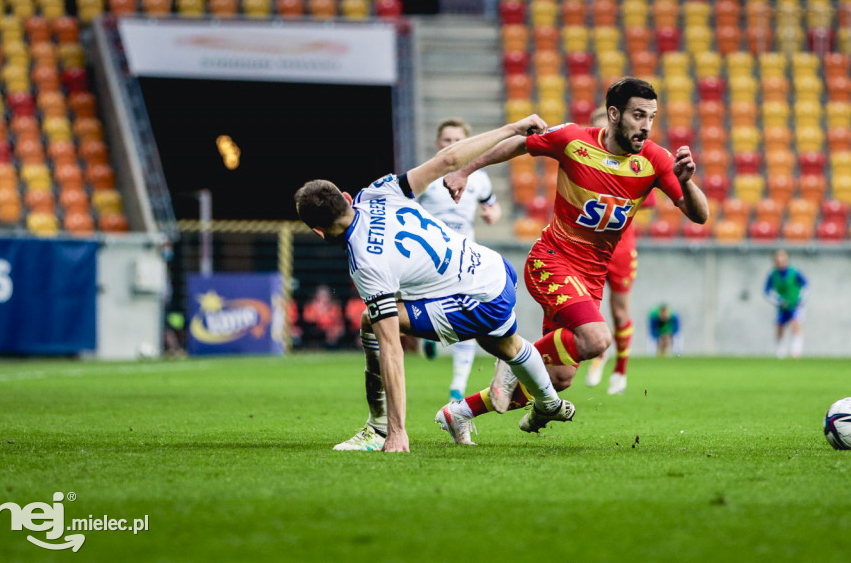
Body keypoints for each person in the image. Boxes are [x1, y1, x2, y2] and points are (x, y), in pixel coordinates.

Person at [294, 114, 575, 453]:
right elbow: (448, 160)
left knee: (373, 322)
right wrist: (513, 128)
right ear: (346, 196)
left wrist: (399, 431)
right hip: (492, 267)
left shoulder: (364, 263)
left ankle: (380, 429)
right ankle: (547, 402)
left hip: (476, 298)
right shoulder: (377, 191)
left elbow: (392, 351)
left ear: (318, 231)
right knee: (506, 345)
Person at [442, 77, 708, 424]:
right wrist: (466, 171)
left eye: (652, 117)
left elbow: (699, 216)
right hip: (551, 260)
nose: (646, 126)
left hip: (590, 277)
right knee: (597, 338)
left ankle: (460, 412)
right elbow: (520, 144)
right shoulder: (573, 140)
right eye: (638, 116)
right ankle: (511, 361)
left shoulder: (656, 160)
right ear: (614, 114)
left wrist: (686, 181)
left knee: (560, 378)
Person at [417, 118, 503, 401]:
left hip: (464, 256)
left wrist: (493, 214)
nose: (451, 145)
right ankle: (426, 338)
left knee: (469, 315)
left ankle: (457, 388)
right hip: (427, 258)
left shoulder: (478, 177)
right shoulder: (425, 176)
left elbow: (492, 204)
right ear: (437, 144)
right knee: (421, 311)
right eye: (446, 140)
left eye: (457, 140)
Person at [583, 107, 644, 394]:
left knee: (620, 313)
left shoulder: (634, 163)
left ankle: (621, 367)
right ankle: (597, 354)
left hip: (620, 248)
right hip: (588, 248)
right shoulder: (581, 162)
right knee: (586, 309)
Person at [764, 249, 808, 359]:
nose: (780, 260)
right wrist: (778, 301)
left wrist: (801, 299)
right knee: (779, 326)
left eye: (782, 257)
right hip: (782, 306)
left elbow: (805, 285)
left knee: (795, 324)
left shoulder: (794, 271)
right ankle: (780, 350)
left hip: (795, 304)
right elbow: (767, 291)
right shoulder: (773, 274)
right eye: (778, 258)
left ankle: (796, 350)